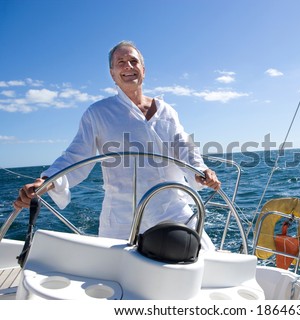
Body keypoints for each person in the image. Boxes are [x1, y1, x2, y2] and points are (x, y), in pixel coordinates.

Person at [14, 40, 221, 250]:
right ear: (112, 73)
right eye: (120, 62)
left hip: (172, 207)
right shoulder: (98, 113)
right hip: (122, 216)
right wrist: (46, 182)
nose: (128, 66)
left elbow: (183, 146)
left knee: (205, 258)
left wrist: (201, 170)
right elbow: (74, 156)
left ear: (143, 69)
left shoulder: (166, 110)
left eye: (133, 61)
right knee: (118, 278)